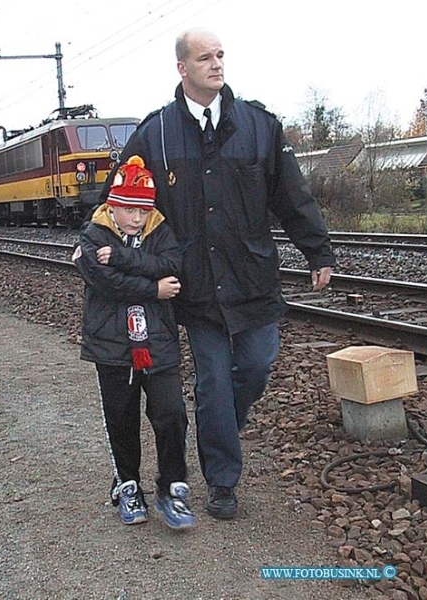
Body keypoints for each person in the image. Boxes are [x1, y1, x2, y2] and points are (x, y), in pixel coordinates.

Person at [106, 28, 336, 520]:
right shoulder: (156, 134)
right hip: (196, 286)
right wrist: (100, 248)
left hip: (251, 276)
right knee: (212, 379)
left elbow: (291, 197)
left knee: (254, 366)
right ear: (182, 69)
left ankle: (219, 425)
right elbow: (118, 200)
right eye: (204, 57)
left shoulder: (258, 127)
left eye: (220, 55)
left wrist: (318, 251)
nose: (216, 64)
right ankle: (222, 481)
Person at [74, 155, 196, 530]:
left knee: (171, 412)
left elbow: (175, 265)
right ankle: (128, 484)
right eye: (129, 210)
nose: (137, 218)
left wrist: (126, 257)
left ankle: (171, 486)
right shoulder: (93, 234)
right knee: (120, 417)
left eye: (143, 210)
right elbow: (103, 281)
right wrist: (153, 288)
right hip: (112, 344)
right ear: (113, 204)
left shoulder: (160, 230)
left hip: (156, 340)